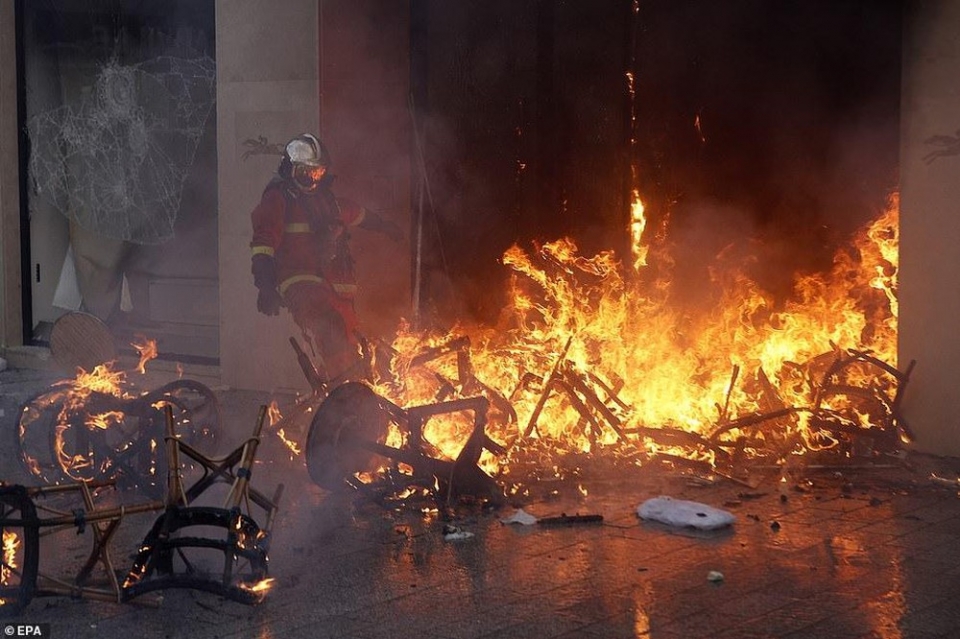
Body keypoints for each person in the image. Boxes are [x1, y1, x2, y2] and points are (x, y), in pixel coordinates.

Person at [249, 133, 402, 382]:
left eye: (317, 173)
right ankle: (345, 397)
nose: (312, 179)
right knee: (330, 332)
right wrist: (265, 286)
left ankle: (356, 397)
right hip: (301, 284)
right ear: (290, 169)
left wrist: (385, 226)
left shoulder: (327, 202)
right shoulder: (278, 199)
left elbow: (357, 213)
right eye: (305, 172)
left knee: (352, 347)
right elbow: (263, 244)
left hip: (335, 290)